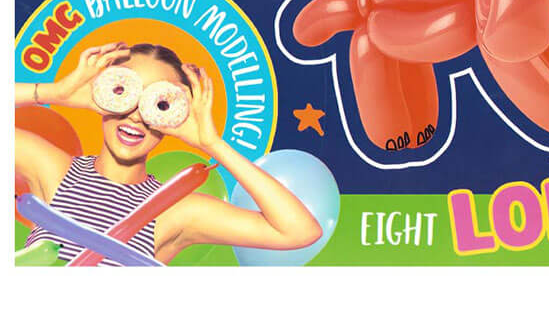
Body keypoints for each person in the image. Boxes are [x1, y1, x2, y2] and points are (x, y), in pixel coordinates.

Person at [15, 41, 322, 265]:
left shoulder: (173, 210)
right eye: (123, 93)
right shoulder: (54, 171)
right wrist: (54, 92)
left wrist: (212, 144)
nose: (136, 115)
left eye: (158, 104)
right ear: (103, 93)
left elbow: (299, 231)